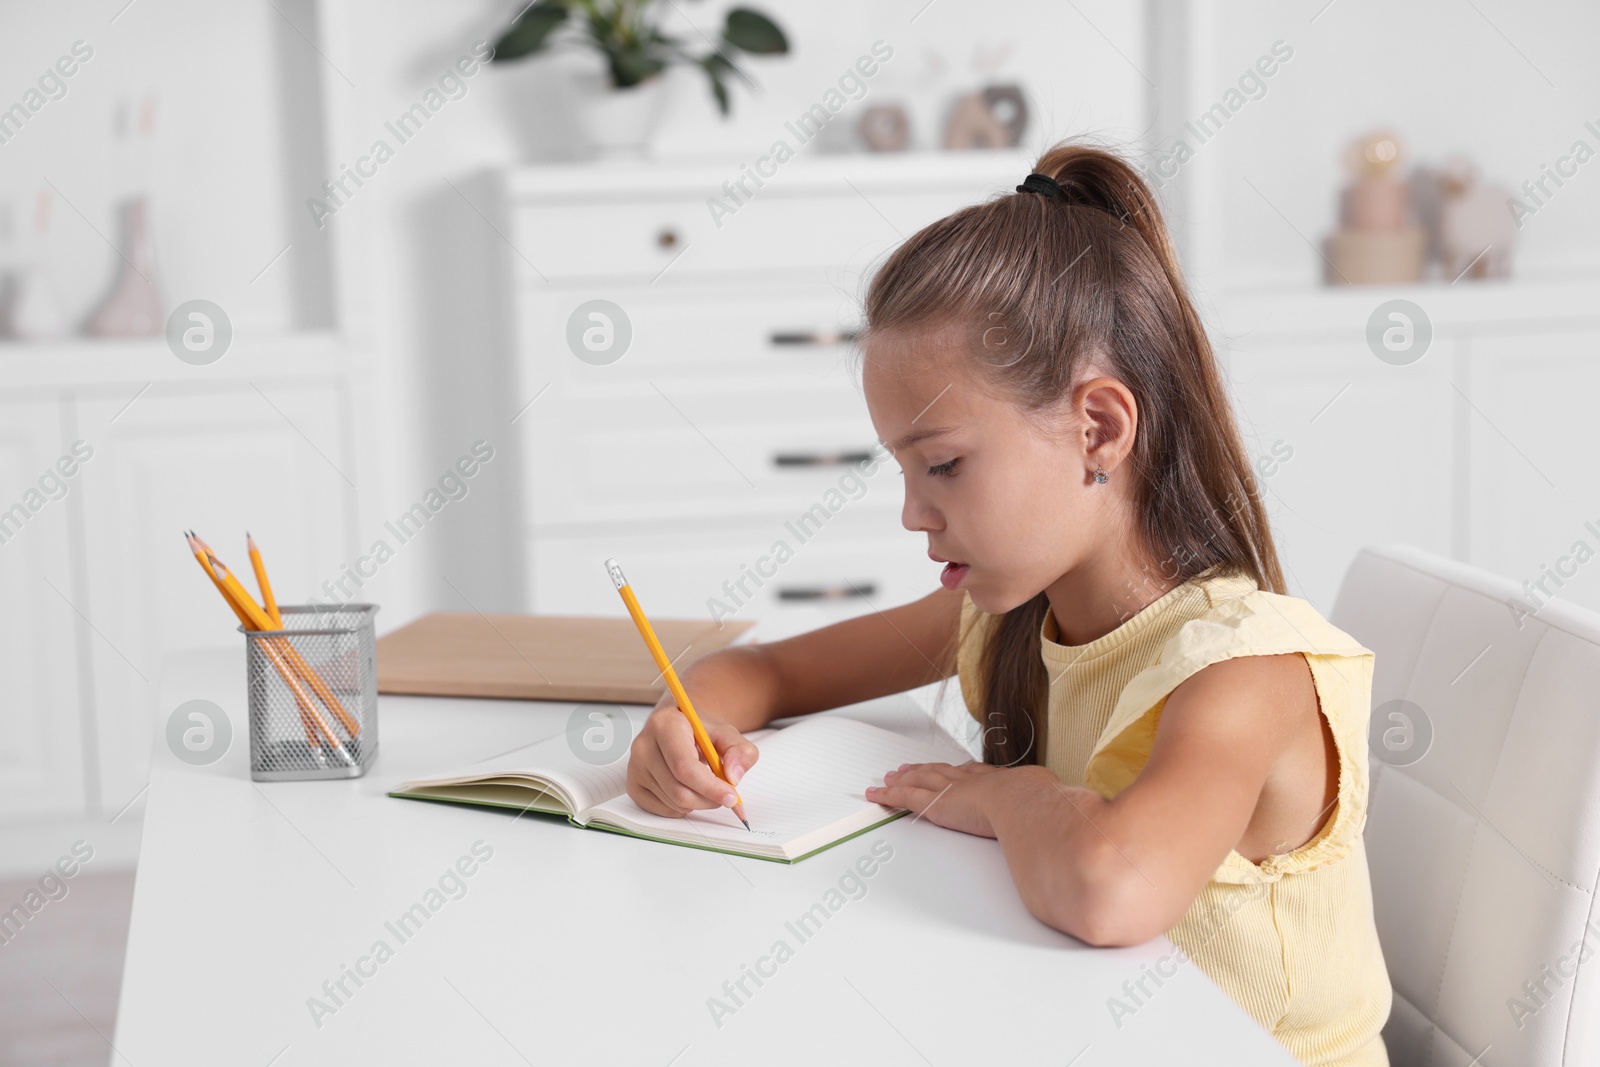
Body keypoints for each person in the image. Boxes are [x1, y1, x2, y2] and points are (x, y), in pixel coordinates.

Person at [626, 137, 1391, 1066]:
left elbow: (1116, 888)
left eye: (943, 464)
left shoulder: (1245, 668)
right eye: (905, 470)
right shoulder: (1008, 618)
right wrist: (687, 721)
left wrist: (1011, 796)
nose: (913, 513)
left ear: (1098, 427)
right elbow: (771, 670)